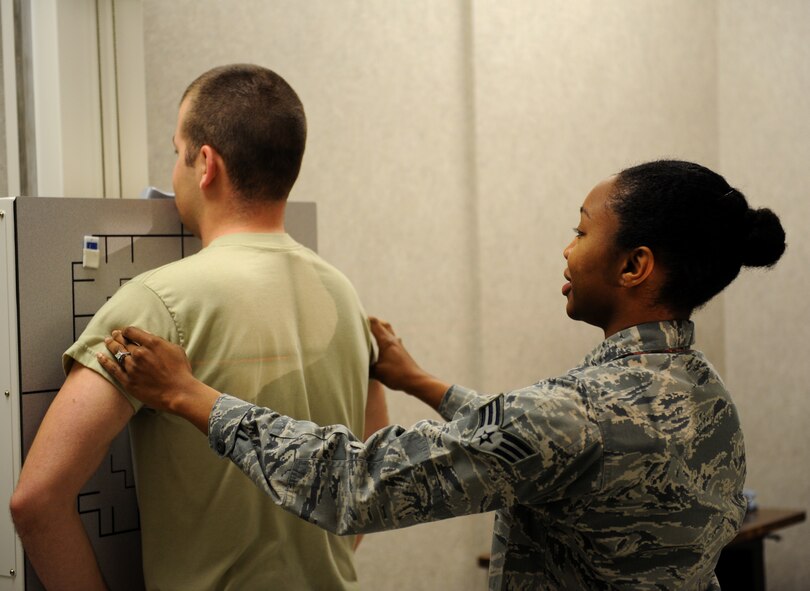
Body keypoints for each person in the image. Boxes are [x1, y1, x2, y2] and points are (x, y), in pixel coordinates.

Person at [98, 160, 786, 590]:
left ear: (636, 265)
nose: (567, 248)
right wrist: (419, 380)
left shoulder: (573, 415)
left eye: (581, 230)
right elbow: (537, 443)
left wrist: (192, 395)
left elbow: (354, 482)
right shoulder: (703, 395)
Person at [10, 64, 388, 591]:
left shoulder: (153, 304)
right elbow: (372, 462)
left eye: (175, 150)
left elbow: (36, 500)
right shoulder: (342, 294)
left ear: (205, 164)